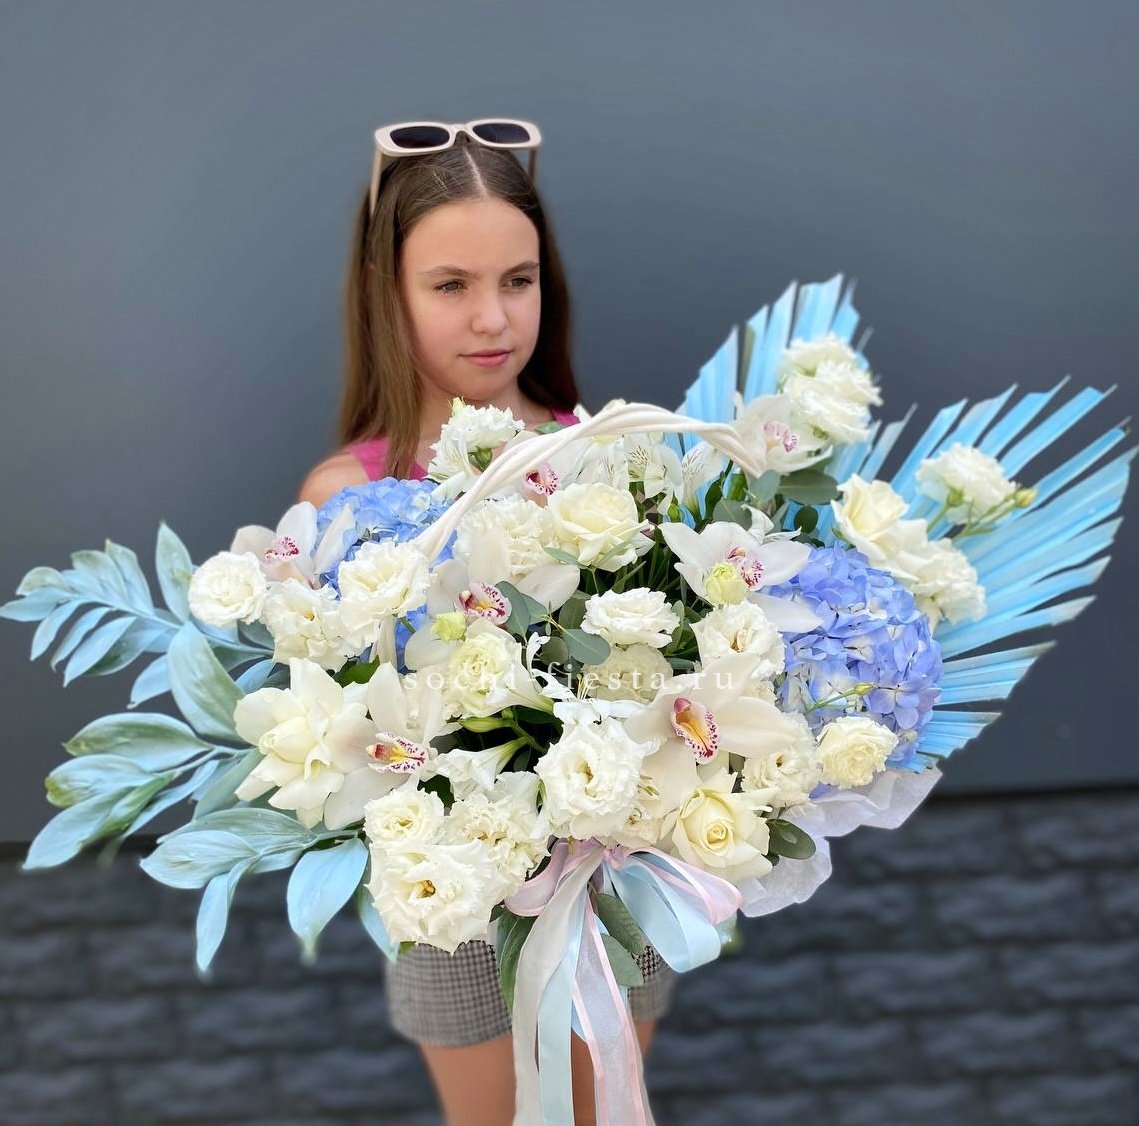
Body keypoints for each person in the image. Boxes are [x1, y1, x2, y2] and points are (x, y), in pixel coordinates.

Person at [296, 120, 679, 1126]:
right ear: (385, 288)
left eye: (518, 279)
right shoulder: (344, 498)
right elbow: (336, 738)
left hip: (610, 876)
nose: (491, 318)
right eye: (449, 284)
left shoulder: (609, 460)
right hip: (451, 899)